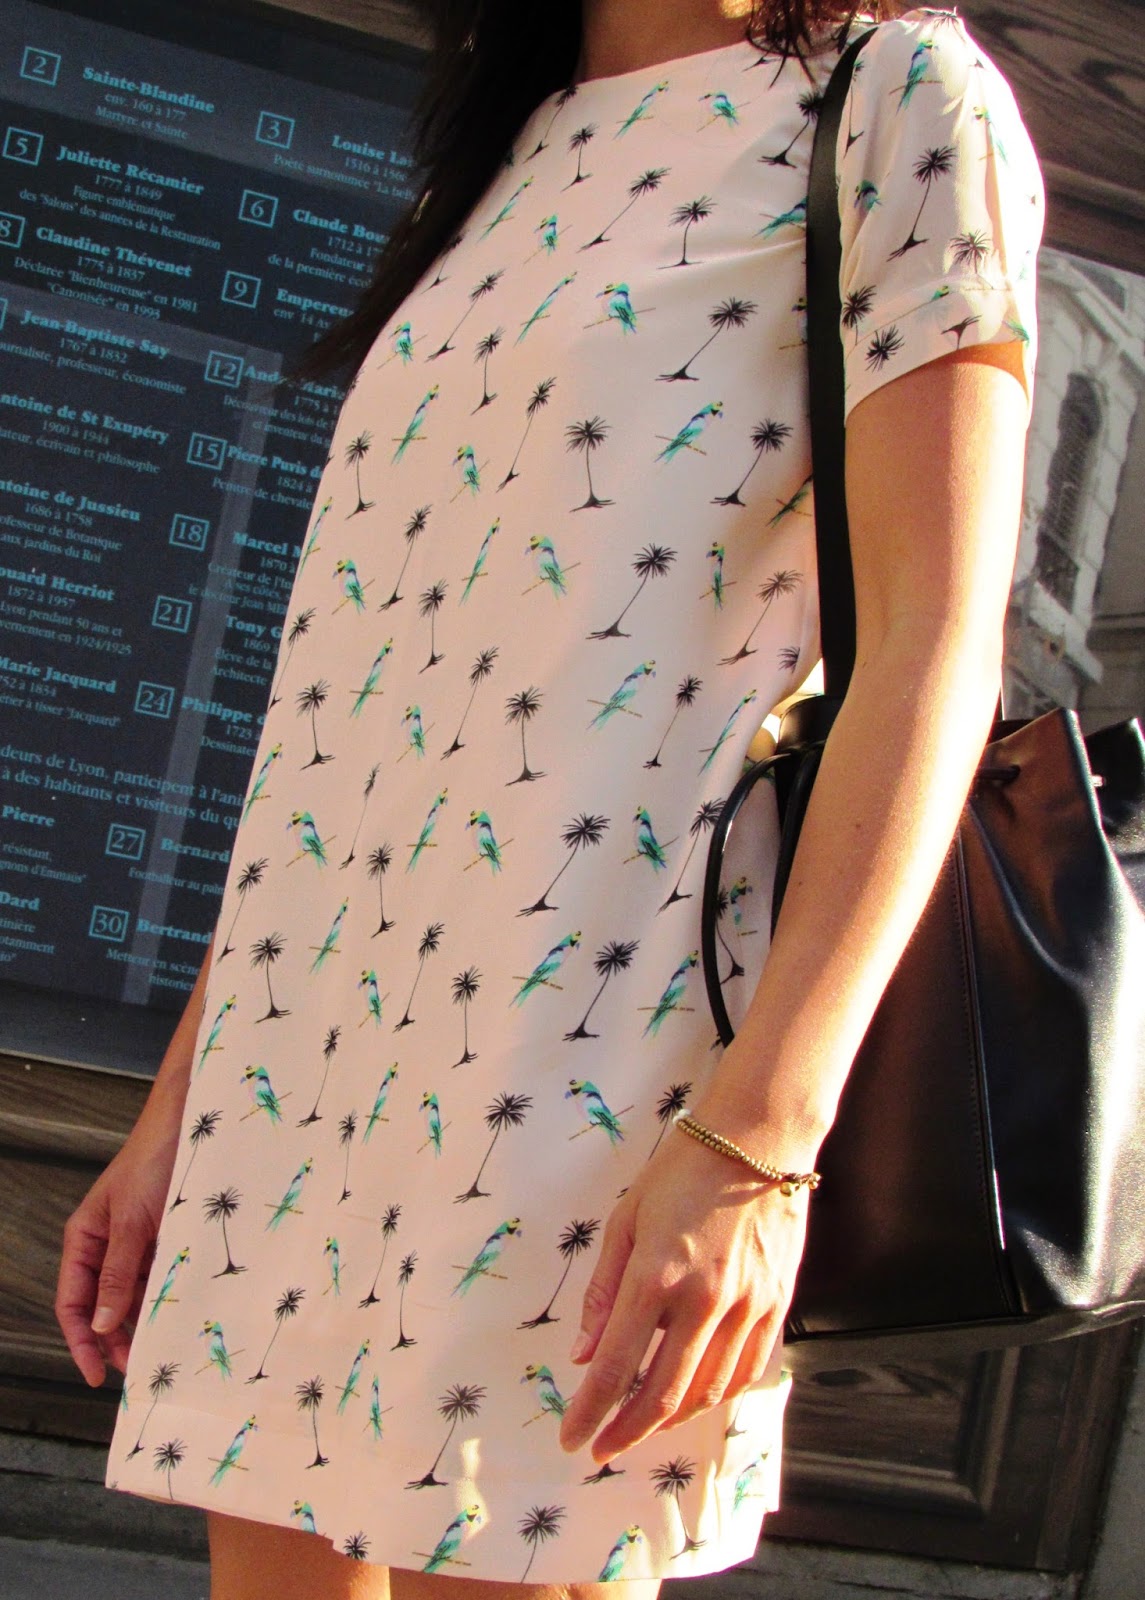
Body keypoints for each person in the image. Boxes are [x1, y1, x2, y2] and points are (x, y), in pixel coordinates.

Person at [55, 1, 1043, 1597]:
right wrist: (190, 1096)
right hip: (313, 1067)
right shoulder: (515, 138)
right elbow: (372, 697)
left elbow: (934, 645)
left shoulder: (897, 95)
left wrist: (758, 1142)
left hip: (597, 1056)